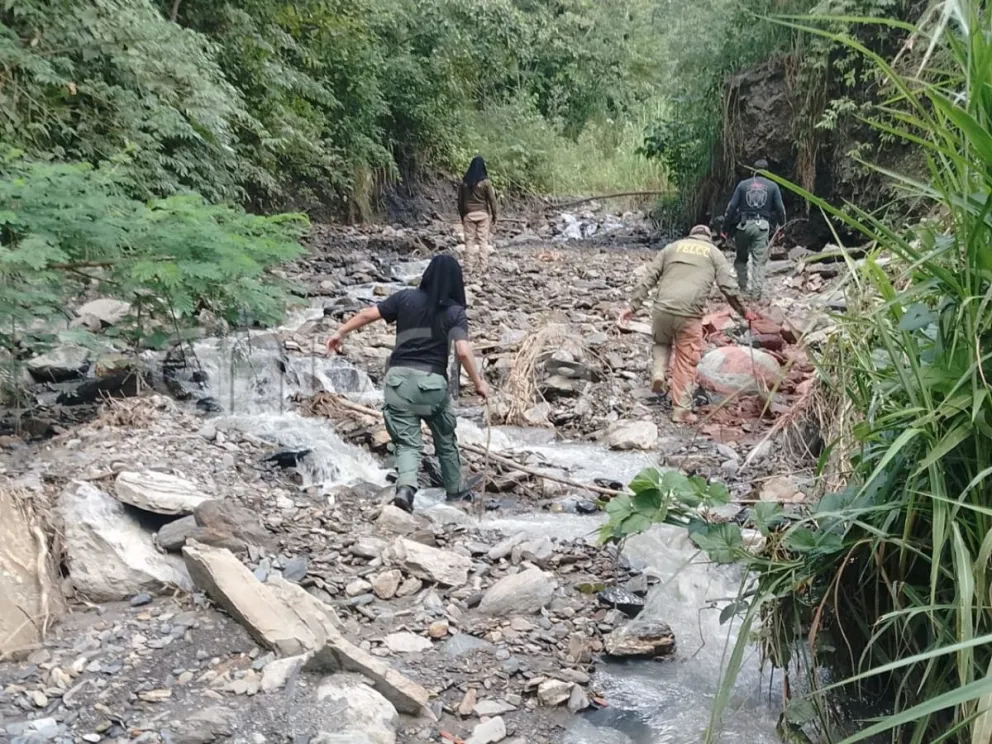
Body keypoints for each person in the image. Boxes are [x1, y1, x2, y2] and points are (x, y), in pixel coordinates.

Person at [326, 255, 489, 512]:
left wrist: (340, 332)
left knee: (407, 442)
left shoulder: (404, 298)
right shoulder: (455, 312)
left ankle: (405, 489)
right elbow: (463, 352)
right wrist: (479, 383)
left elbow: (368, 314)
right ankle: (456, 493)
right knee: (445, 438)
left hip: (398, 382)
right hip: (432, 385)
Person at [618, 225, 756, 424]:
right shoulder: (714, 253)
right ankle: (681, 411)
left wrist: (633, 306)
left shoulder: (672, 248)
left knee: (661, 342)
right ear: (708, 238)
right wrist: (745, 311)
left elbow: (648, 278)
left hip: (661, 310)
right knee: (685, 359)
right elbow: (728, 286)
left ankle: (658, 372)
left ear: (690, 236)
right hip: (689, 315)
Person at [722, 159, 787, 300]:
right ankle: (756, 294)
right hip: (762, 226)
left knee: (741, 259)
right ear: (767, 172)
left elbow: (731, 208)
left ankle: (743, 289)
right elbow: (780, 210)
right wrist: (781, 227)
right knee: (759, 261)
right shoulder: (773, 186)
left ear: (753, 172)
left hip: (743, 225)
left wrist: (725, 229)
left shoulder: (743, 185)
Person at [457, 156, 498, 272]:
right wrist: (494, 216)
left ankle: (468, 267)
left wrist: (462, 216)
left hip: (469, 215)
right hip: (483, 215)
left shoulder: (464, 183)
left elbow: (460, 202)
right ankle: (483, 267)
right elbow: (492, 200)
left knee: (469, 241)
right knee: (483, 241)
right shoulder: (486, 183)